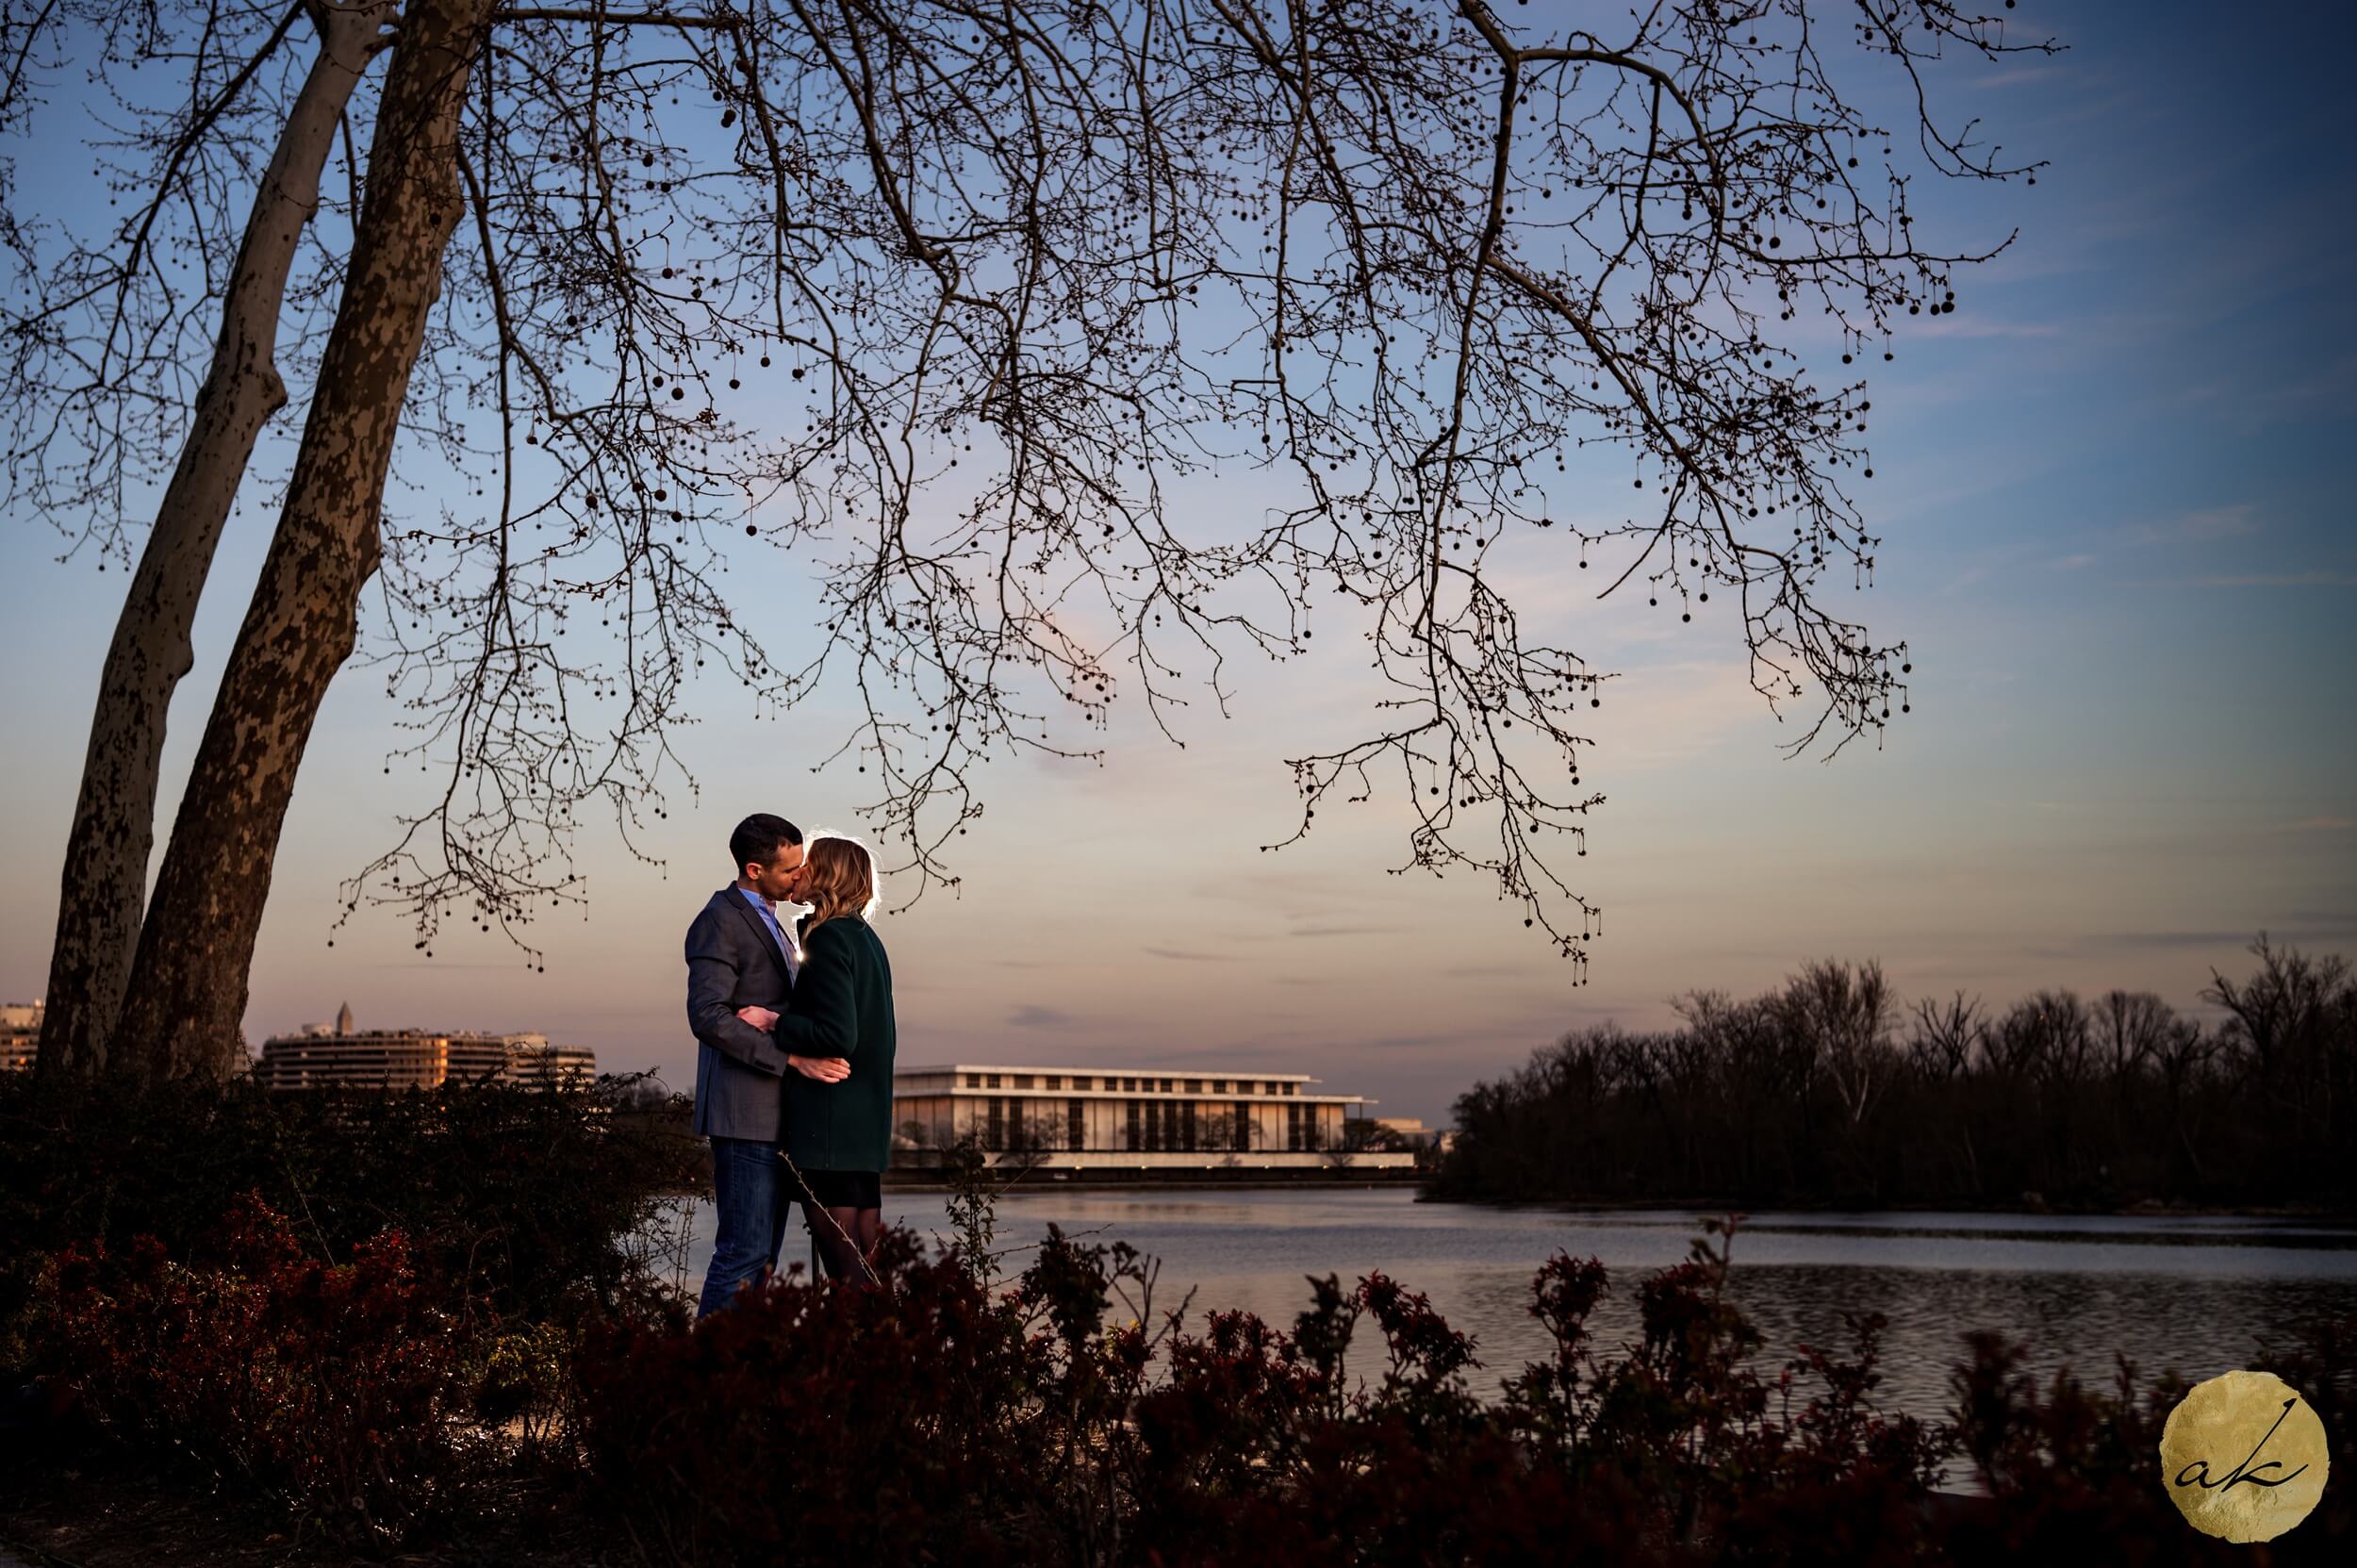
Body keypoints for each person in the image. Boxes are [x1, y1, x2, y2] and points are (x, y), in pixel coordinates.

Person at [684, 814, 849, 1316]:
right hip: (742, 1115)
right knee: (743, 1254)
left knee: (765, 1261)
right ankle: (702, 1377)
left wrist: (781, 1021)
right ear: (755, 870)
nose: (802, 876)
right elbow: (707, 1017)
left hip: (773, 1117)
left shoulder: (771, 919)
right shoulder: (719, 919)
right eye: (790, 870)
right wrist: (792, 1056)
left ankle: (743, 1377)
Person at [737, 834, 896, 1286]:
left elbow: (837, 1034)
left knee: (848, 1278)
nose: (799, 872)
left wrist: (774, 1022)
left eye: (809, 865)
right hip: (862, 1130)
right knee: (871, 1276)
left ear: (826, 875)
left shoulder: (827, 939)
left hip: (829, 1128)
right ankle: (894, 1354)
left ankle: (855, 1356)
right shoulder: (868, 941)